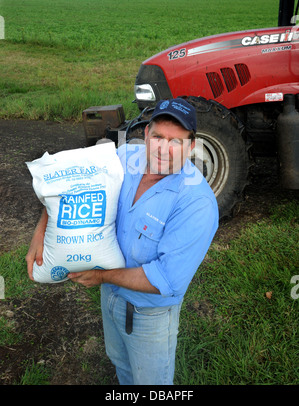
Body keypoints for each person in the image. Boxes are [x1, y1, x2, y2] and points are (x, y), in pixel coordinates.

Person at [26, 98, 219, 385]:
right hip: (111, 298)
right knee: (121, 365)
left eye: (176, 142)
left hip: (149, 313)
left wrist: (102, 276)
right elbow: (72, 183)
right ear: (145, 135)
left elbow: (166, 280)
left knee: (151, 383)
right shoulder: (125, 156)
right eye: (158, 137)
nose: (164, 150)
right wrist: (41, 229)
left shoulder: (197, 203)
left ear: (191, 146)